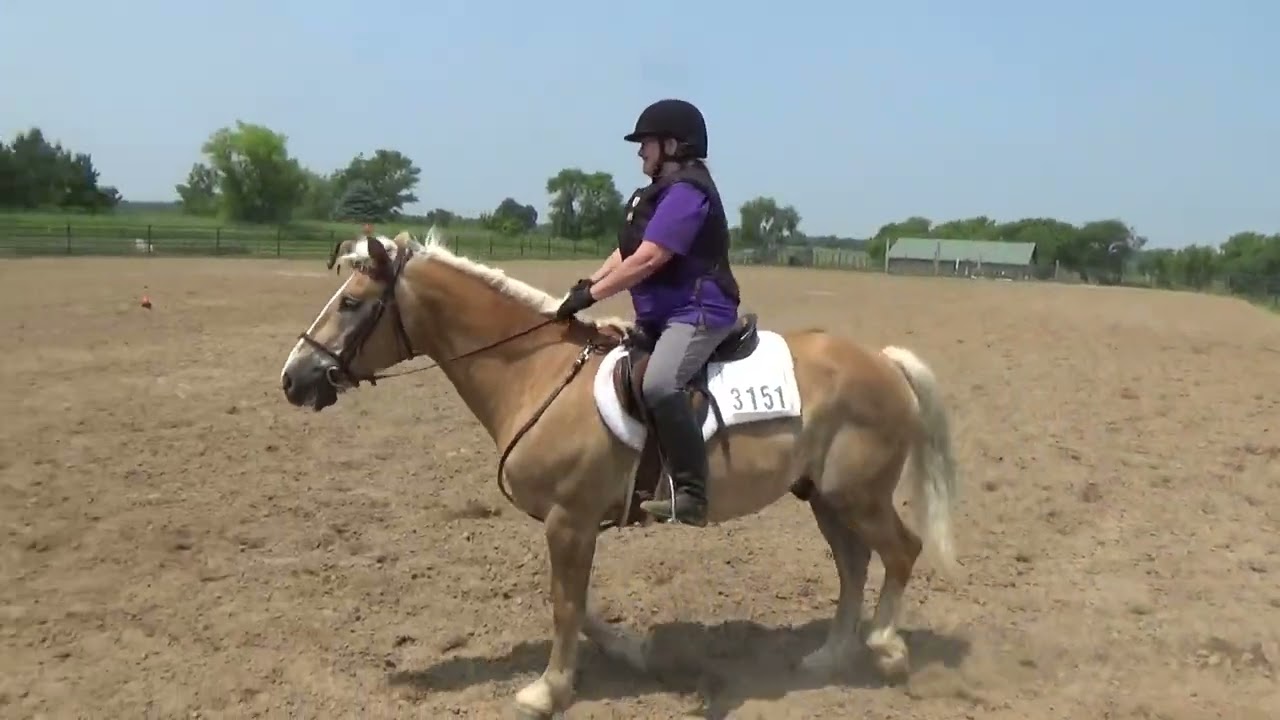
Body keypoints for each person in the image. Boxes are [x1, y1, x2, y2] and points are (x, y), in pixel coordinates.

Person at [555, 98, 742, 527]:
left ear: (672, 145)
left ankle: (693, 494)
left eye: (647, 143)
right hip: (661, 317)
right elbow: (627, 252)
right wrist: (587, 285)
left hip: (699, 311)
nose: (640, 151)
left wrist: (595, 296)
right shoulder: (657, 194)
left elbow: (650, 258)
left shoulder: (688, 192)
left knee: (659, 383)